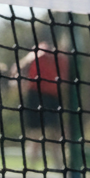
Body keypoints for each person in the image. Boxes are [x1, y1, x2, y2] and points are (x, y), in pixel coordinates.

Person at [15, 40, 69, 169]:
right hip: (37, 96)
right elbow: (24, 64)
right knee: (36, 133)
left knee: (54, 134)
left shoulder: (62, 59)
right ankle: (32, 167)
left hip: (52, 97)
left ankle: (58, 166)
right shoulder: (42, 51)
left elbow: (65, 82)